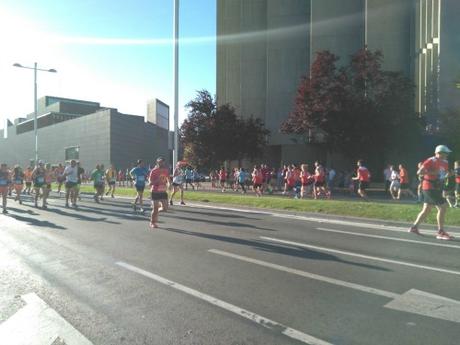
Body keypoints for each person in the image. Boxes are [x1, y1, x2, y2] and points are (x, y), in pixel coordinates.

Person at [409, 145, 454, 240]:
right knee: (443, 206)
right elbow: (419, 172)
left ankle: (414, 227)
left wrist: (449, 175)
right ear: (439, 153)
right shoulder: (431, 160)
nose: (447, 155)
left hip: (436, 187)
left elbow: (441, 175)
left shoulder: (445, 162)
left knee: (427, 209)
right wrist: (432, 173)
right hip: (429, 187)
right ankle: (440, 232)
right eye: (445, 153)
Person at [149, 156, 170, 229]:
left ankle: (155, 212)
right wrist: (157, 181)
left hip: (163, 191)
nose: (162, 163)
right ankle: (152, 222)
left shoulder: (166, 170)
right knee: (155, 209)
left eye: (163, 162)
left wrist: (169, 184)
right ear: (157, 162)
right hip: (155, 191)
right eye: (160, 162)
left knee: (165, 208)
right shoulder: (153, 171)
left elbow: (168, 179)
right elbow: (150, 183)